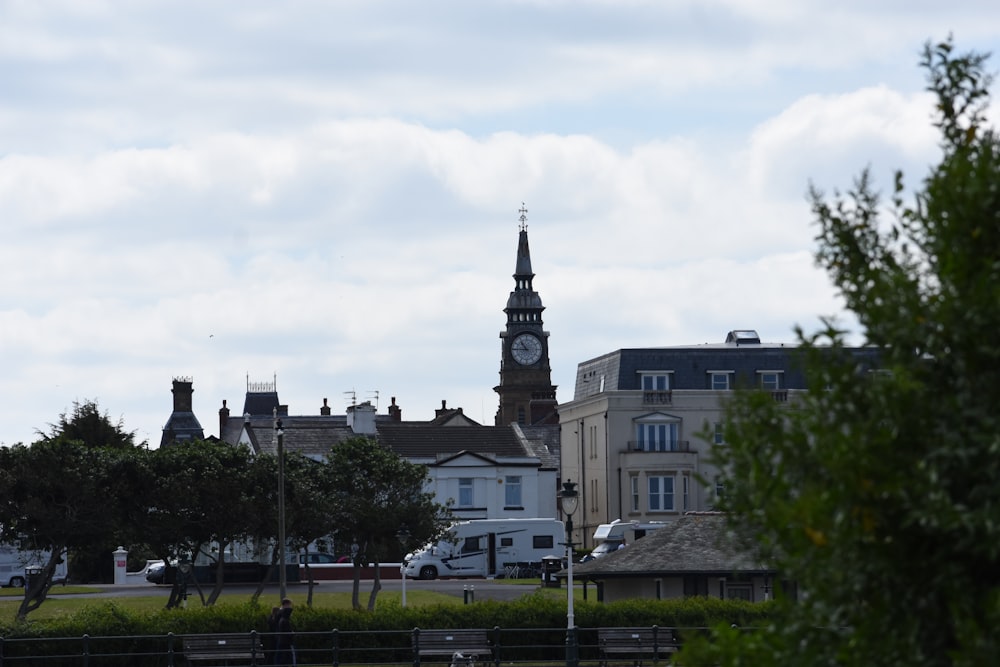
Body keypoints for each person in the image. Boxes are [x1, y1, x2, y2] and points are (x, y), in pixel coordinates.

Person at [273, 598, 295, 666]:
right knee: (282, 654)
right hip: (282, 637)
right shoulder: (283, 614)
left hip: (280, 637)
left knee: (280, 654)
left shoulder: (280, 613)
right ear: (286, 604)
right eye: (289, 605)